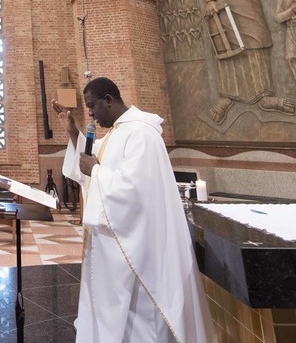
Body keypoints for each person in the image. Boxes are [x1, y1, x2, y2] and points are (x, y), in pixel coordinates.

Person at [55, 78, 213, 342]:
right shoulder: (117, 133)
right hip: (113, 247)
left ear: (109, 99)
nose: (91, 113)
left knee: (139, 319)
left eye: (92, 106)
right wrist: (72, 131)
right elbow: (90, 162)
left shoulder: (141, 132)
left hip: (136, 249)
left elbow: (134, 190)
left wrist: (94, 170)